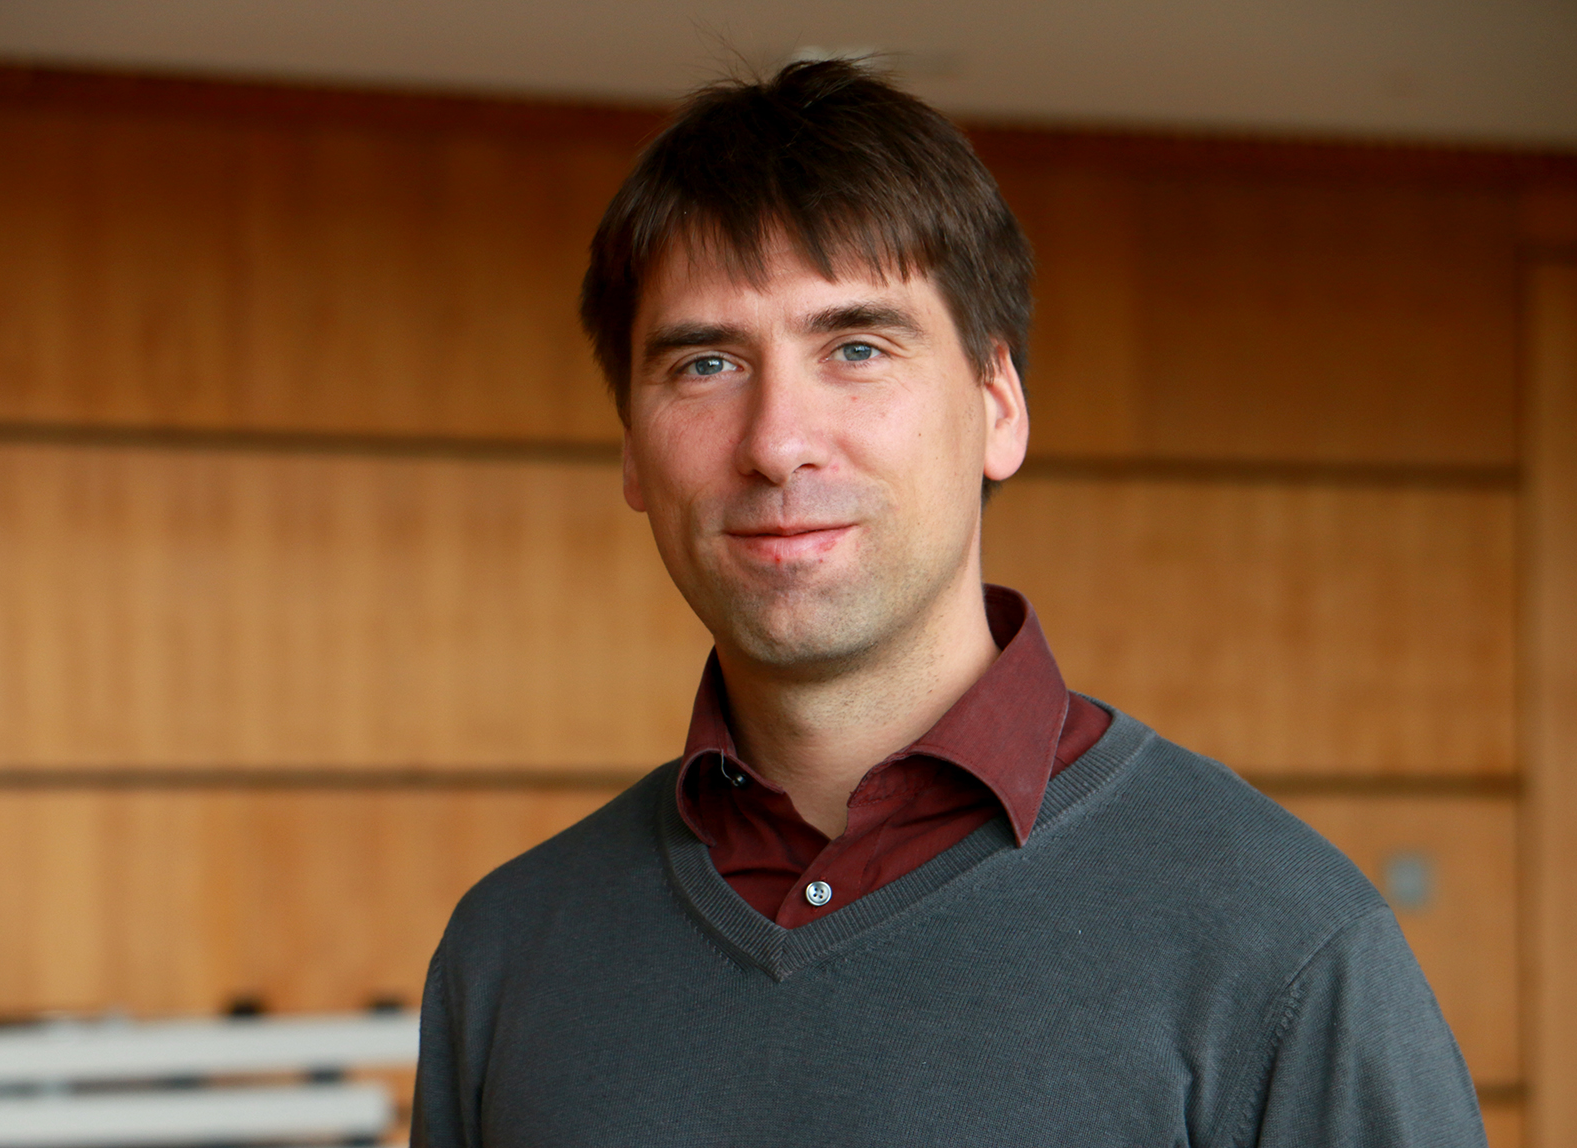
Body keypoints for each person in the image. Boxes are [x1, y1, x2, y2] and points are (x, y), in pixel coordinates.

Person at [414, 59, 1484, 1147]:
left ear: (998, 406)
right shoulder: (506, 953)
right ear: (632, 452)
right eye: (704, 364)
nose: (777, 440)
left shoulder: (1283, 944)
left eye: (858, 347)